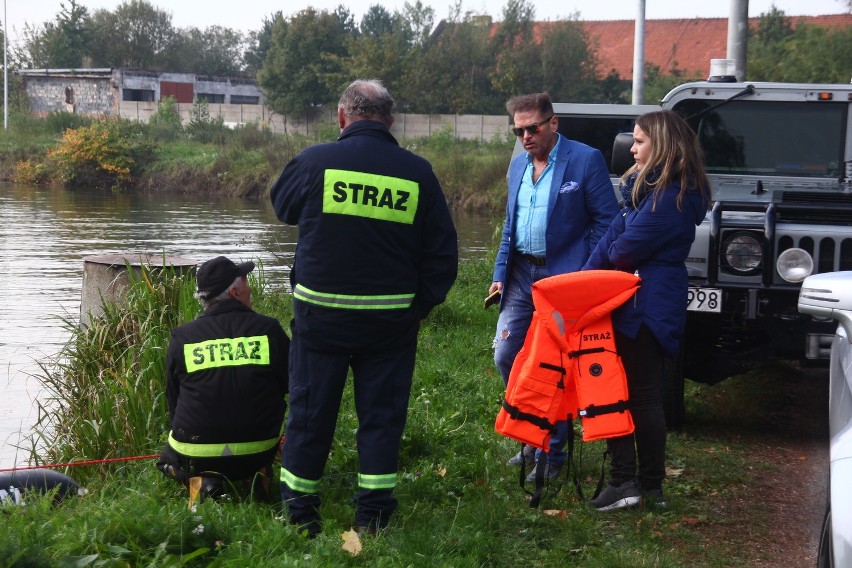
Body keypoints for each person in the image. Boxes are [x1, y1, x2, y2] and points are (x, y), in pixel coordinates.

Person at [269, 79, 458, 537]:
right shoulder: (417, 173)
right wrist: (418, 308)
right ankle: (372, 517)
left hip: (321, 320)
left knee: (311, 414)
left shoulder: (315, 161)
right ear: (390, 121)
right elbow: (442, 256)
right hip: (390, 324)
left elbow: (282, 207)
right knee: (382, 418)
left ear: (341, 117)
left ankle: (299, 513)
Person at [583, 109, 711, 511]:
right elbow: (610, 243)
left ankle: (638, 484)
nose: (631, 149)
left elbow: (621, 250)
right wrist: (581, 284)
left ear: (663, 146)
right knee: (629, 392)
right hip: (639, 301)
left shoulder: (669, 200)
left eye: (638, 141)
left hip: (645, 307)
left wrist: (607, 254)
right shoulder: (648, 194)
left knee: (638, 395)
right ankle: (638, 485)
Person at [491, 92, 619, 481]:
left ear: (553, 123)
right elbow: (510, 226)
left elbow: (606, 222)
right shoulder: (517, 167)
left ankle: (552, 452)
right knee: (507, 355)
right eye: (519, 130)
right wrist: (499, 273)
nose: (526, 136)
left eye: (533, 128)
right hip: (519, 277)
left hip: (562, 279)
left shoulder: (585, 159)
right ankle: (530, 436)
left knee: (553, 365)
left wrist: (583, 275)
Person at [157, 256, 289, 500]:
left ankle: (203, 481)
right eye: (247, 282)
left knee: (165, 461)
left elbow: (174, 402)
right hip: (260, 449)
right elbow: (290, 384)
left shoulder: (182, 337)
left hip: (194, 453)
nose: (250, 289)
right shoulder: (268, 329)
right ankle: (257, 475)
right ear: (235, 291)